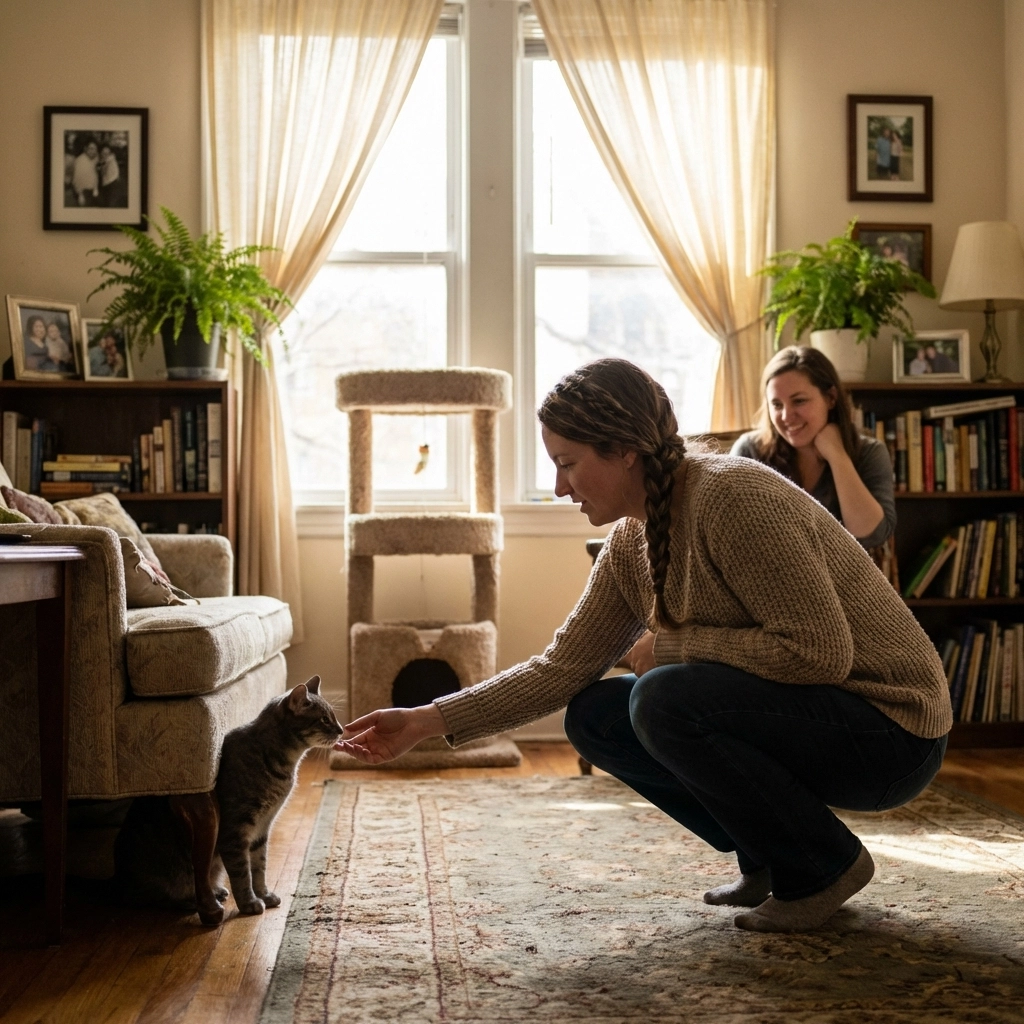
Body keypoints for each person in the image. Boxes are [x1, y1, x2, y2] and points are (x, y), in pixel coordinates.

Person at [335, 358, 952, 934]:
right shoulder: (633, 540)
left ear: (624, 449)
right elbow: (561, 668)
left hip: (892, 734)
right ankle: (769, 853)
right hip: (818, 718)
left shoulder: (734, 498)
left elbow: (820, 653)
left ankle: (823, 867)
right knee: (596, 714)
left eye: (568, 463)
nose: (558, 487)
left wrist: (674, 646)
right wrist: (423, 720)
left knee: (662, 697)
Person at [730, 346, 895, 549]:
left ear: (831, 398)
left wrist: (837, 456)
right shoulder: (749, 452)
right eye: (777, 405)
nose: (786, 416)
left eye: (799, 401)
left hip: (840, 580)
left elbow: (872, 535)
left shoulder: (869, 452)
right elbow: (733, 537)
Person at [72, 140, 99, 206]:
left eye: (95, 149)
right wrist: (80, 195)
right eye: (91, 148)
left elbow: (94, 172)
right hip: (84, 192)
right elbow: (76, 179)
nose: (93, 151)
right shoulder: (80, 161)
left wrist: (95, 188)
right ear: (85, 148)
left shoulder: (94, 158)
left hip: (93, 190)